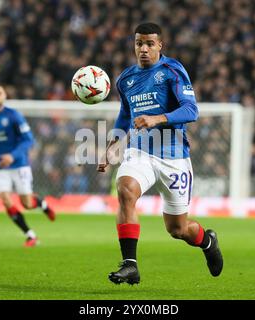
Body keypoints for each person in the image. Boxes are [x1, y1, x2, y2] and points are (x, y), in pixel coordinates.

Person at [98, 23, 223, 284]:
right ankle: (130, 264)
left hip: (174, 157)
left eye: (149, 44)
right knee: (125, 189)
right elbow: (124, 117)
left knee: (178, 230)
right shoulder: (126, 79)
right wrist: (111, 148)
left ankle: (207, 241)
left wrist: (158, 118)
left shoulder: (172, 71)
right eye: (139, 43)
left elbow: (192, 110)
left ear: (159, 46)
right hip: (139, 153)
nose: (143, 49)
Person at [0, 83, 56, 247]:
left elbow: (29, 140)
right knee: (6, 201)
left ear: (5, 96)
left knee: (27, 204)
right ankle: (30, 235)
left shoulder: (14, 116)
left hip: (19, 165)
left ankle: (41, 204)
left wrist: (12, 156)